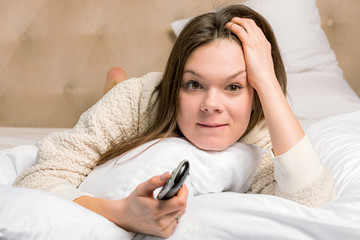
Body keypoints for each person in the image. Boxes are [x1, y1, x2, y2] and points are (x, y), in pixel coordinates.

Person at [14, 4, 335, 238]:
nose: (212, 105)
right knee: (113, 97)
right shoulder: (137, 99)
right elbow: (39, 179)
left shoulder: (262, 133)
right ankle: (111, 83)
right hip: (130, 100)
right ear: (174, 85)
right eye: (194, 84)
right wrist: (120, 213)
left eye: (234, 86)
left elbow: (309, 200)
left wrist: (267, 80)